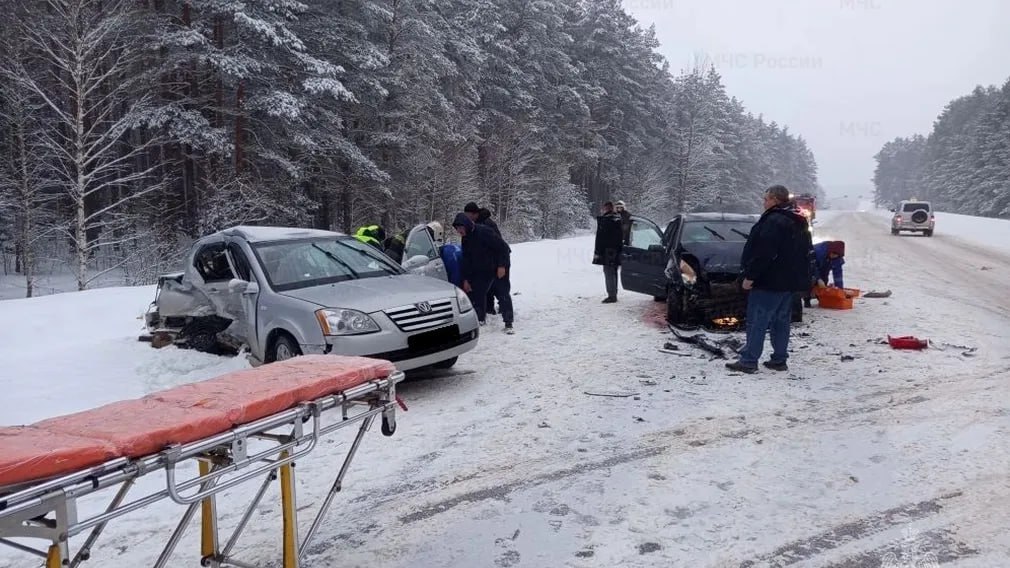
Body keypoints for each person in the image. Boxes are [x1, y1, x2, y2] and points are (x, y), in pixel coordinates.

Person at [726, 185, 814, 374]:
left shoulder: (774, 221)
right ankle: (779, 359)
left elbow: (764, 253)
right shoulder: (798, 220)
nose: (763, 202)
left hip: (769, 281)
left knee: (757, 321)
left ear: (774, 199)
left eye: (765, 199)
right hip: (788, 283)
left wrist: (751, 276)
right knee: (781, 321)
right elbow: (805, 252)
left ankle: (749, 360)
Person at [451, 212, 513, 332]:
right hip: (482, 270)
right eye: (457, 228)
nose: (459, 231)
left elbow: (503, 248)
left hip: (497, 266)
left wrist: (501, 266)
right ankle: (480, 319)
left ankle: (508, 323)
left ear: (467, 225)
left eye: (460, 228)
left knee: (502, 293)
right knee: (478, 293)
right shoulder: (465, 238)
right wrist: (466, 279)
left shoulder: (485, 232)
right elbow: (467, 259)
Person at [593, 201, 624, 303]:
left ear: (606, 209)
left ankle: (612, 295)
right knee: (614, 272)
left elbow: (600, 239)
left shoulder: (605, 221)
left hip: (607, 251)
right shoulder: (618, 220)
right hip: (617, 250)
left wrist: (597, 252)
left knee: (609, 273)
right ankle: (614, 292)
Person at [805, 240, 845, 307]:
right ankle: (807, 298)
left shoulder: (837, 258)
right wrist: (818, 279)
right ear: (830, 251)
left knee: (824, 280)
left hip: (824, 267)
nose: (833, 256)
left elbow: (838, 274)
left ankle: (821, 297)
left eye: (835, 255)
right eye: (833, 254)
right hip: (809, 264)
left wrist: (839, 290)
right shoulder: (819, 251)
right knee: (811, 279)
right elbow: (813, 266)